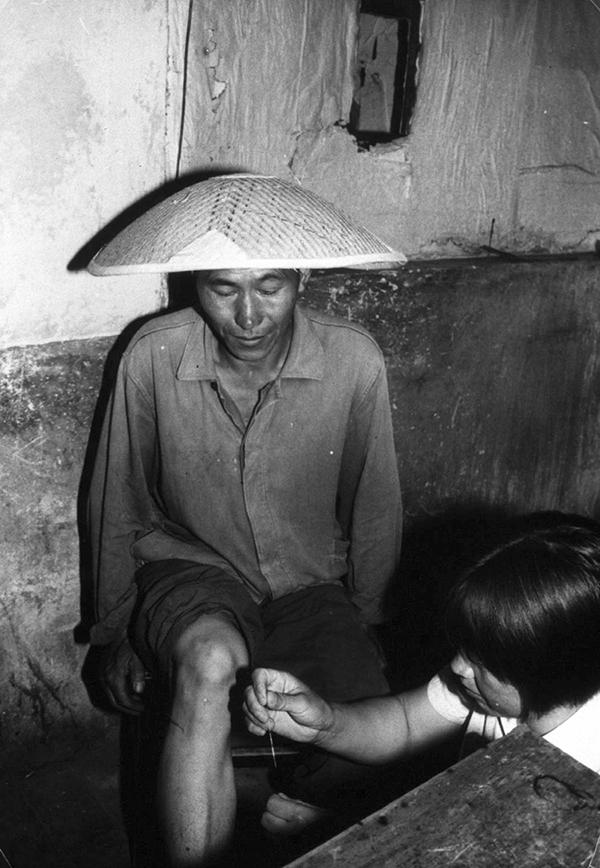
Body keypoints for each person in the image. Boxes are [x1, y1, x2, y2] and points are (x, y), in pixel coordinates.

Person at [85, 175, 403, 866]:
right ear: (194, 285)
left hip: (311, 584)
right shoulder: (153, 354)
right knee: (206, 663)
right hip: (191, 569)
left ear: (303, 278)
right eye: (224, 288)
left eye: (271, 286)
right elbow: (117, 501)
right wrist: (117, 631)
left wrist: (371, 622)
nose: (250, 314)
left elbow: (373, 501)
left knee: (358, 755)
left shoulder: (353, 360)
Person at [245, 518, 600, 833]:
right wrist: (326, 723)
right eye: (465, 648)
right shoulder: (491, 685)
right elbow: (405, 723)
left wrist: (341, 834)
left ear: (545, 672)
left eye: (481, 659)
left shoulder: (583, 774)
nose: (458, 667)